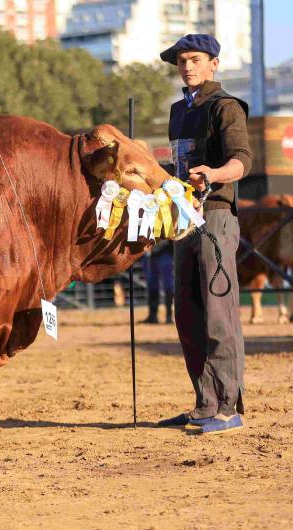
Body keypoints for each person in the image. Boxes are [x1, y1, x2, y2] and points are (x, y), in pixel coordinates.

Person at [157, 34, 252, 434]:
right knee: (188, 313)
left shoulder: (226, 106)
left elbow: (242, 161)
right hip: (183, 219)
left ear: (214, 63)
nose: (187, 66)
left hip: (215, 216)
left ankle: (228, 408)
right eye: (181, 61)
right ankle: (204, 402)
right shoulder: (178, 111)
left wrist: (212, 174)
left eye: (194, 59)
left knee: (218, 313)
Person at [140, 239, 174, 324]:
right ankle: (153, 316)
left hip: (164, 253)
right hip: (151, 254)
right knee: (152, 285)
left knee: (168, 286)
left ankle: (169, 316)